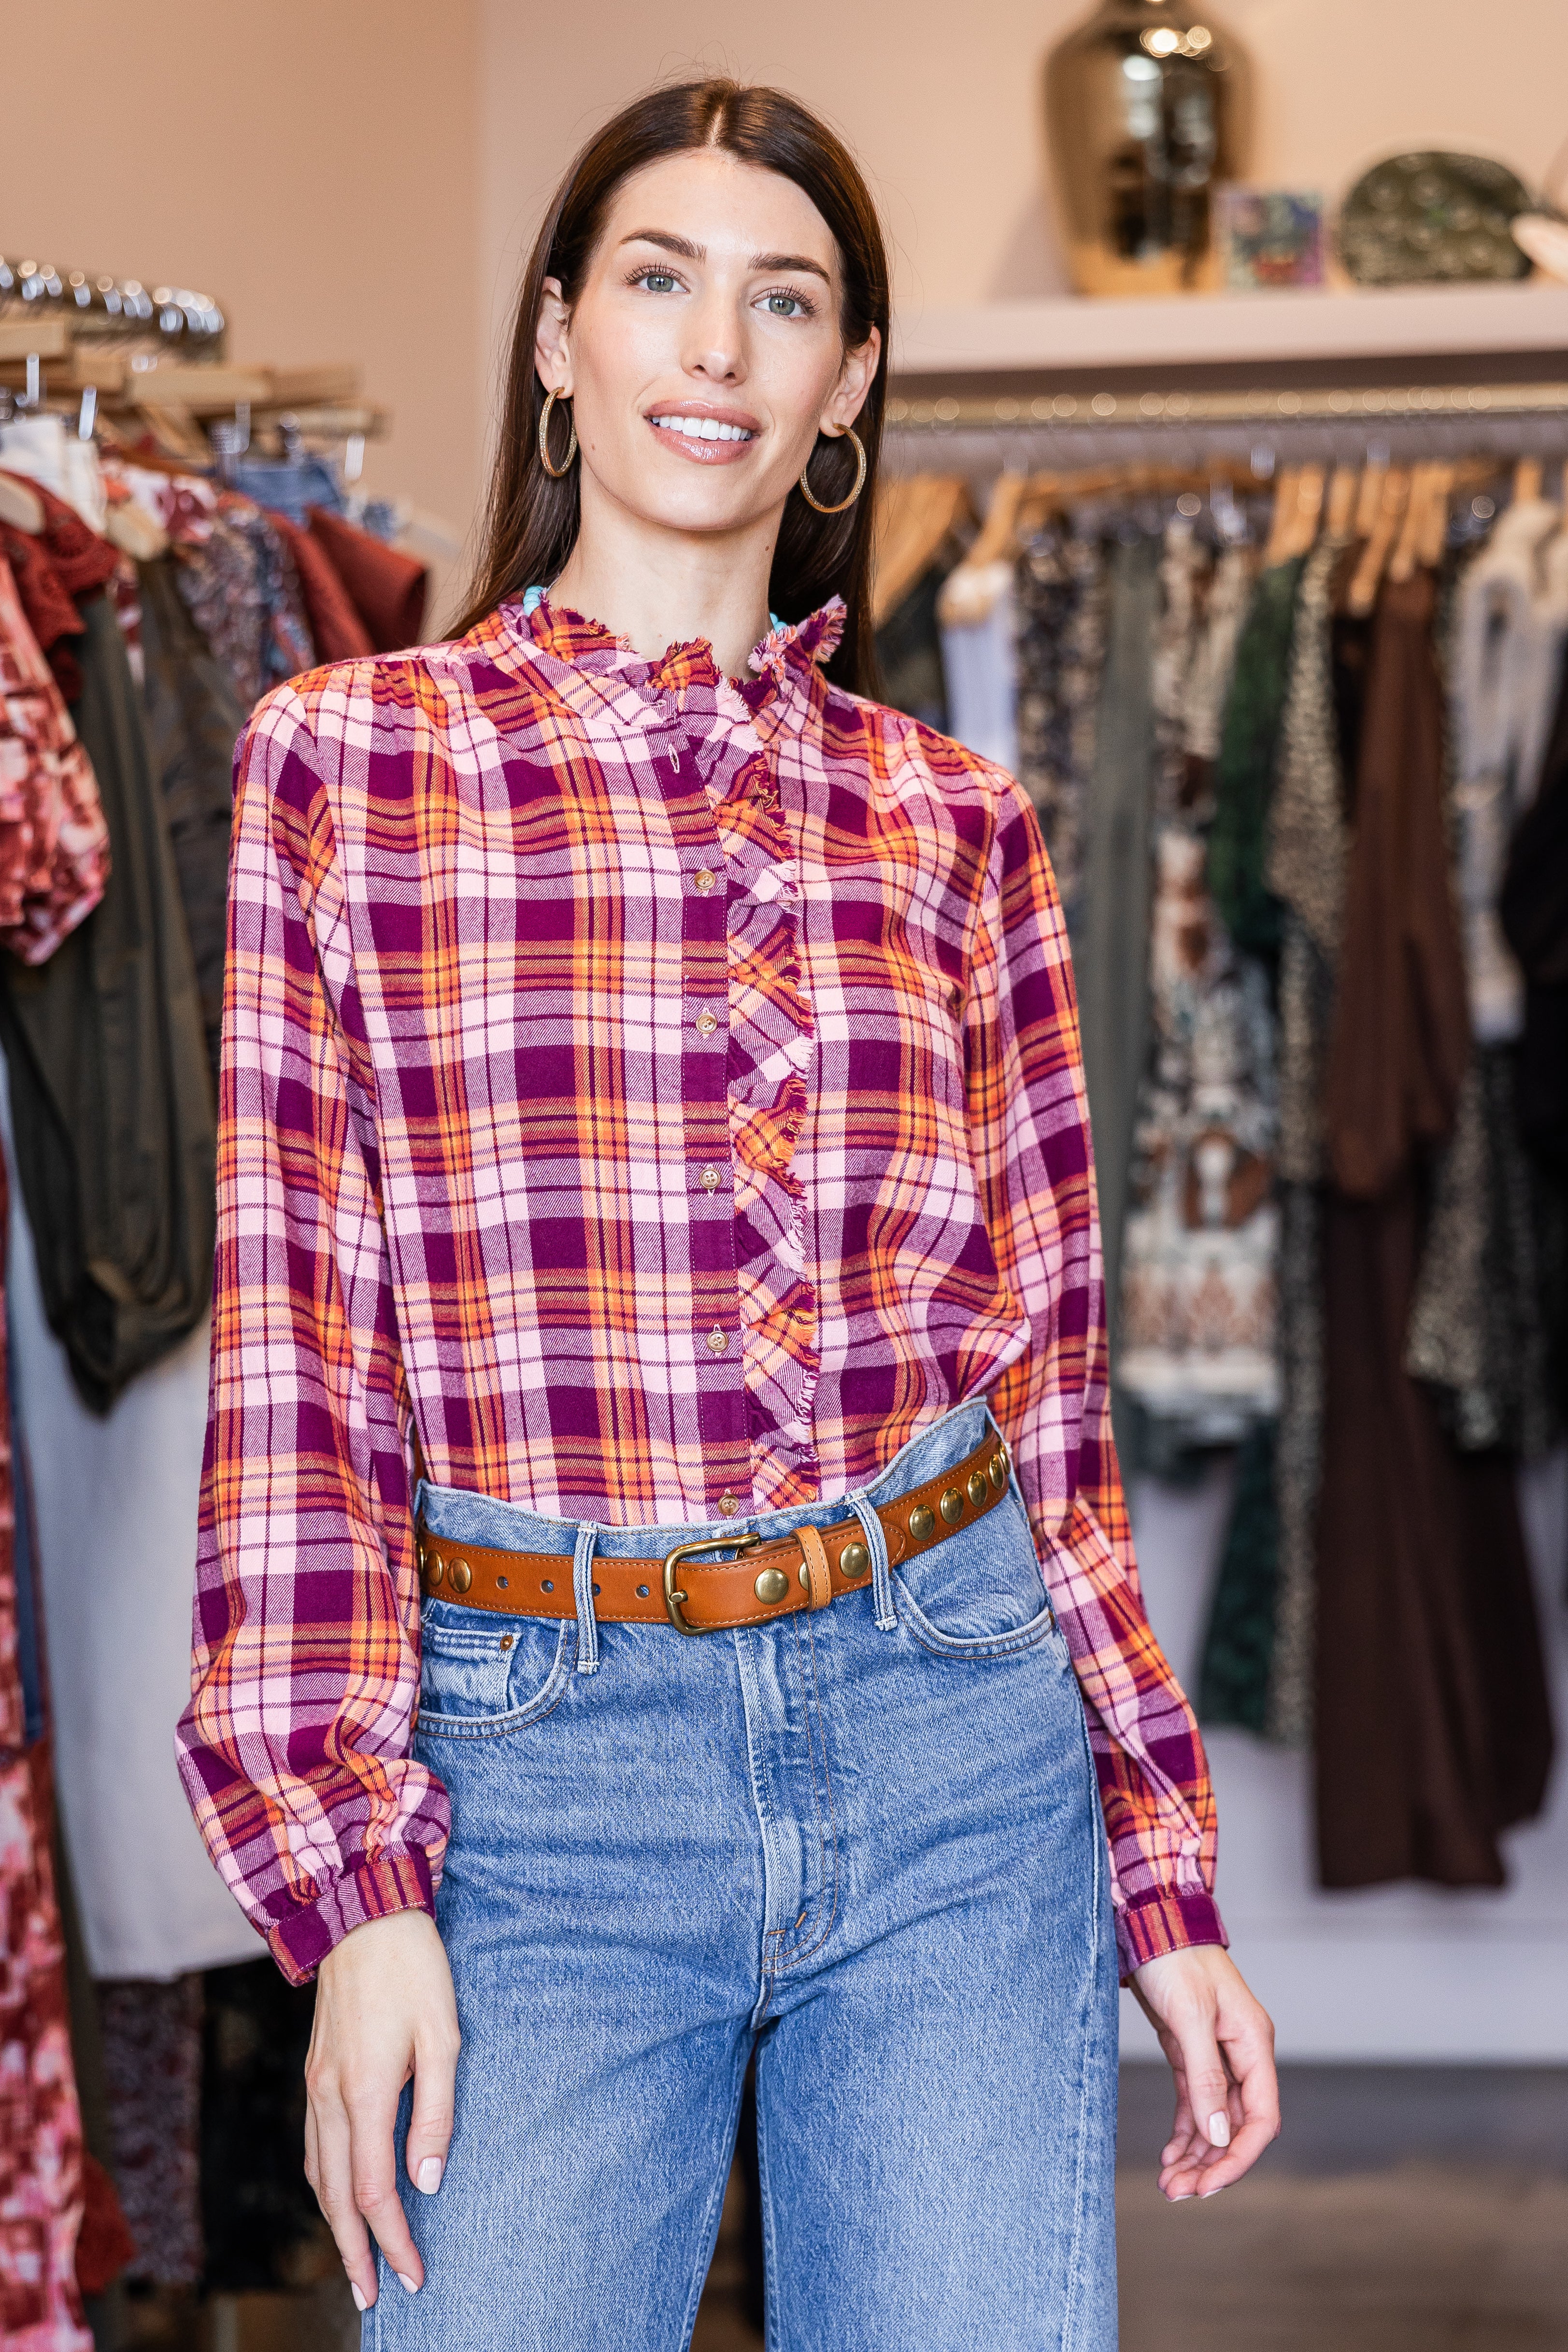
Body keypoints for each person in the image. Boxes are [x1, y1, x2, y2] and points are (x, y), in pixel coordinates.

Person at [177, 76, 1278, 2351]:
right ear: (561, 336)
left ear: (847, 382)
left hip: (951, 1732)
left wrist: (1161, 1874)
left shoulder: (956, 822)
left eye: (784, 303)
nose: (716, 348)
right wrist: (352, 1894)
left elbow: (1048, 1412)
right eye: (659, 283)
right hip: (535, 1775)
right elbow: (304, 1362)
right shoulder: (345, 764)